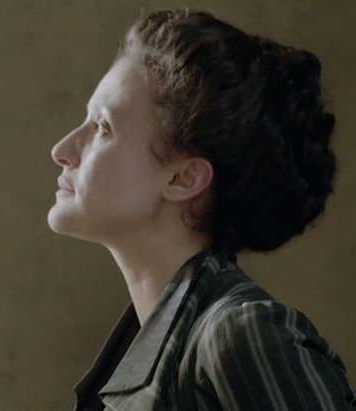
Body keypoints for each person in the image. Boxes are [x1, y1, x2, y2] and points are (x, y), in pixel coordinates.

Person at [47, 9, 356, 410]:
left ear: (184, 178)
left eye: (103, 127)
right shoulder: (143, 352)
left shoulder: (242, 336)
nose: (62, 150)